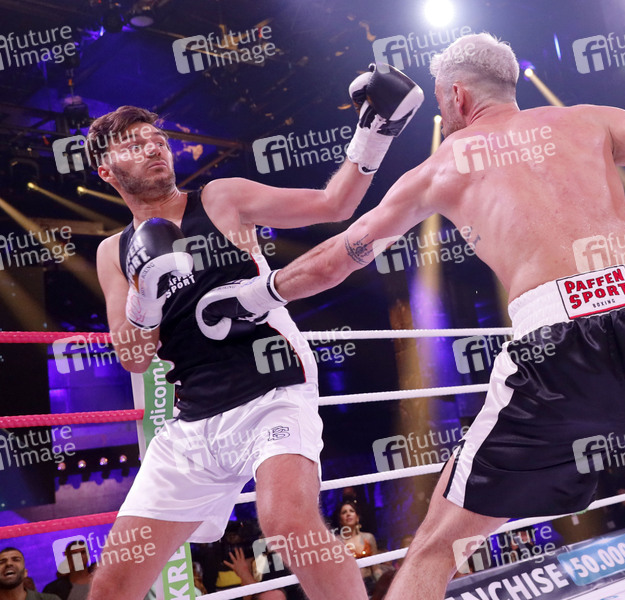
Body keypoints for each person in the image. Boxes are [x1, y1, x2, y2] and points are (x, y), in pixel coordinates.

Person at [200, 34, 625, 600]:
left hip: (552, 345)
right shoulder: (588, 119)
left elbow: (340, 257)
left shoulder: (443, 165)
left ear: (455, 96)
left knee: (440, 542)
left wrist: (257, 297)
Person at [83, 60, 424, 600]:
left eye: (157, 140)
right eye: (132, 144)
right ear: (106, 170)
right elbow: (133, 357)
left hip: (272, 389)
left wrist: (375, 132)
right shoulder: (112, 252)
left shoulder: (221, 198)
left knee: (288, 523)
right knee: (113, 582)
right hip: (194, 419)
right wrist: (144, 296)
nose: (152, 149)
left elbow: (334, 205)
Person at [336, 501, 383, 594]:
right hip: (349, 588)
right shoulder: (337, 542)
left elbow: (376, 568)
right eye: (344, 512)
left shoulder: (368, 538)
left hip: (370, 586)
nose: (348, 514)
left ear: (357, 517)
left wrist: (383, 587)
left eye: (351, 511)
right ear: (340, 520)